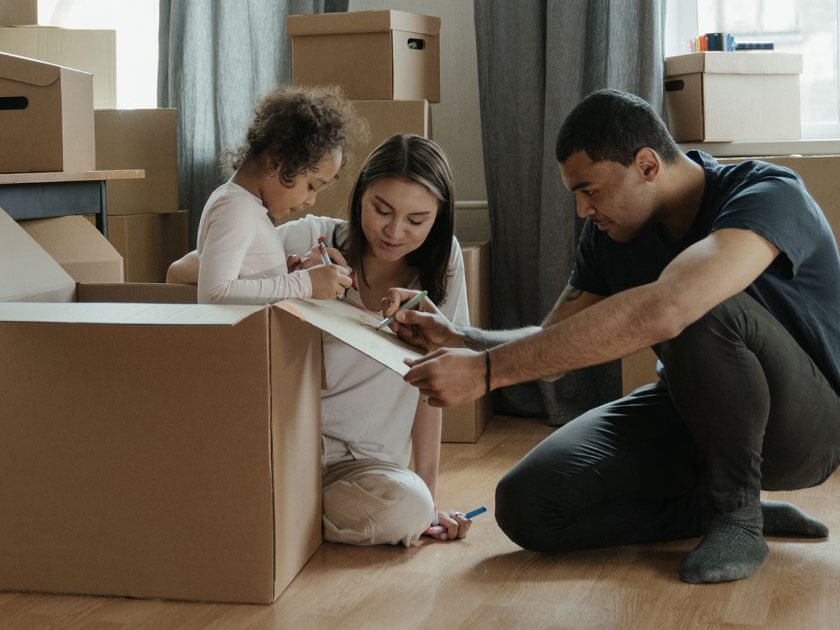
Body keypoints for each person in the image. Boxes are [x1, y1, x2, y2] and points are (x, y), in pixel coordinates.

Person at [384, 89, 840, 583]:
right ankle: (713, 509)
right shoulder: (610, 234)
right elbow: (555, 345)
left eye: (590, 190)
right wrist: (463, 340)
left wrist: (487, 373)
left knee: (699, 304)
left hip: (809, 429)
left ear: (646, 165)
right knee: (528, 505)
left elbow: (672, 306)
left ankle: (736, 516)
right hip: (693, 413)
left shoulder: (768, 193)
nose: (582, 211)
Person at [168, 133, 475, 546]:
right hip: (286, 448)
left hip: (365, 467)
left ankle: (277, 516)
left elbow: (432, 387)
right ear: (359, 195)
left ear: (438, 219)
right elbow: (180, 273)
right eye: (381, 210)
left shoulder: (444, 266)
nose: (394, 231)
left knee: (409, 509)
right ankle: (280, 512)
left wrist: (430, 500)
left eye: (416, 221)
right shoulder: (309, 237)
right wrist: (293, 278)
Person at [181, 83, 359, 303]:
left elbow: (244, 282)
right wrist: (304, 284)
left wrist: (284, 275)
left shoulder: (248, 207)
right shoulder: (234, 208)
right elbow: (214, 294)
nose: (311, 201)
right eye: (311, 186)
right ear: (276, 162)